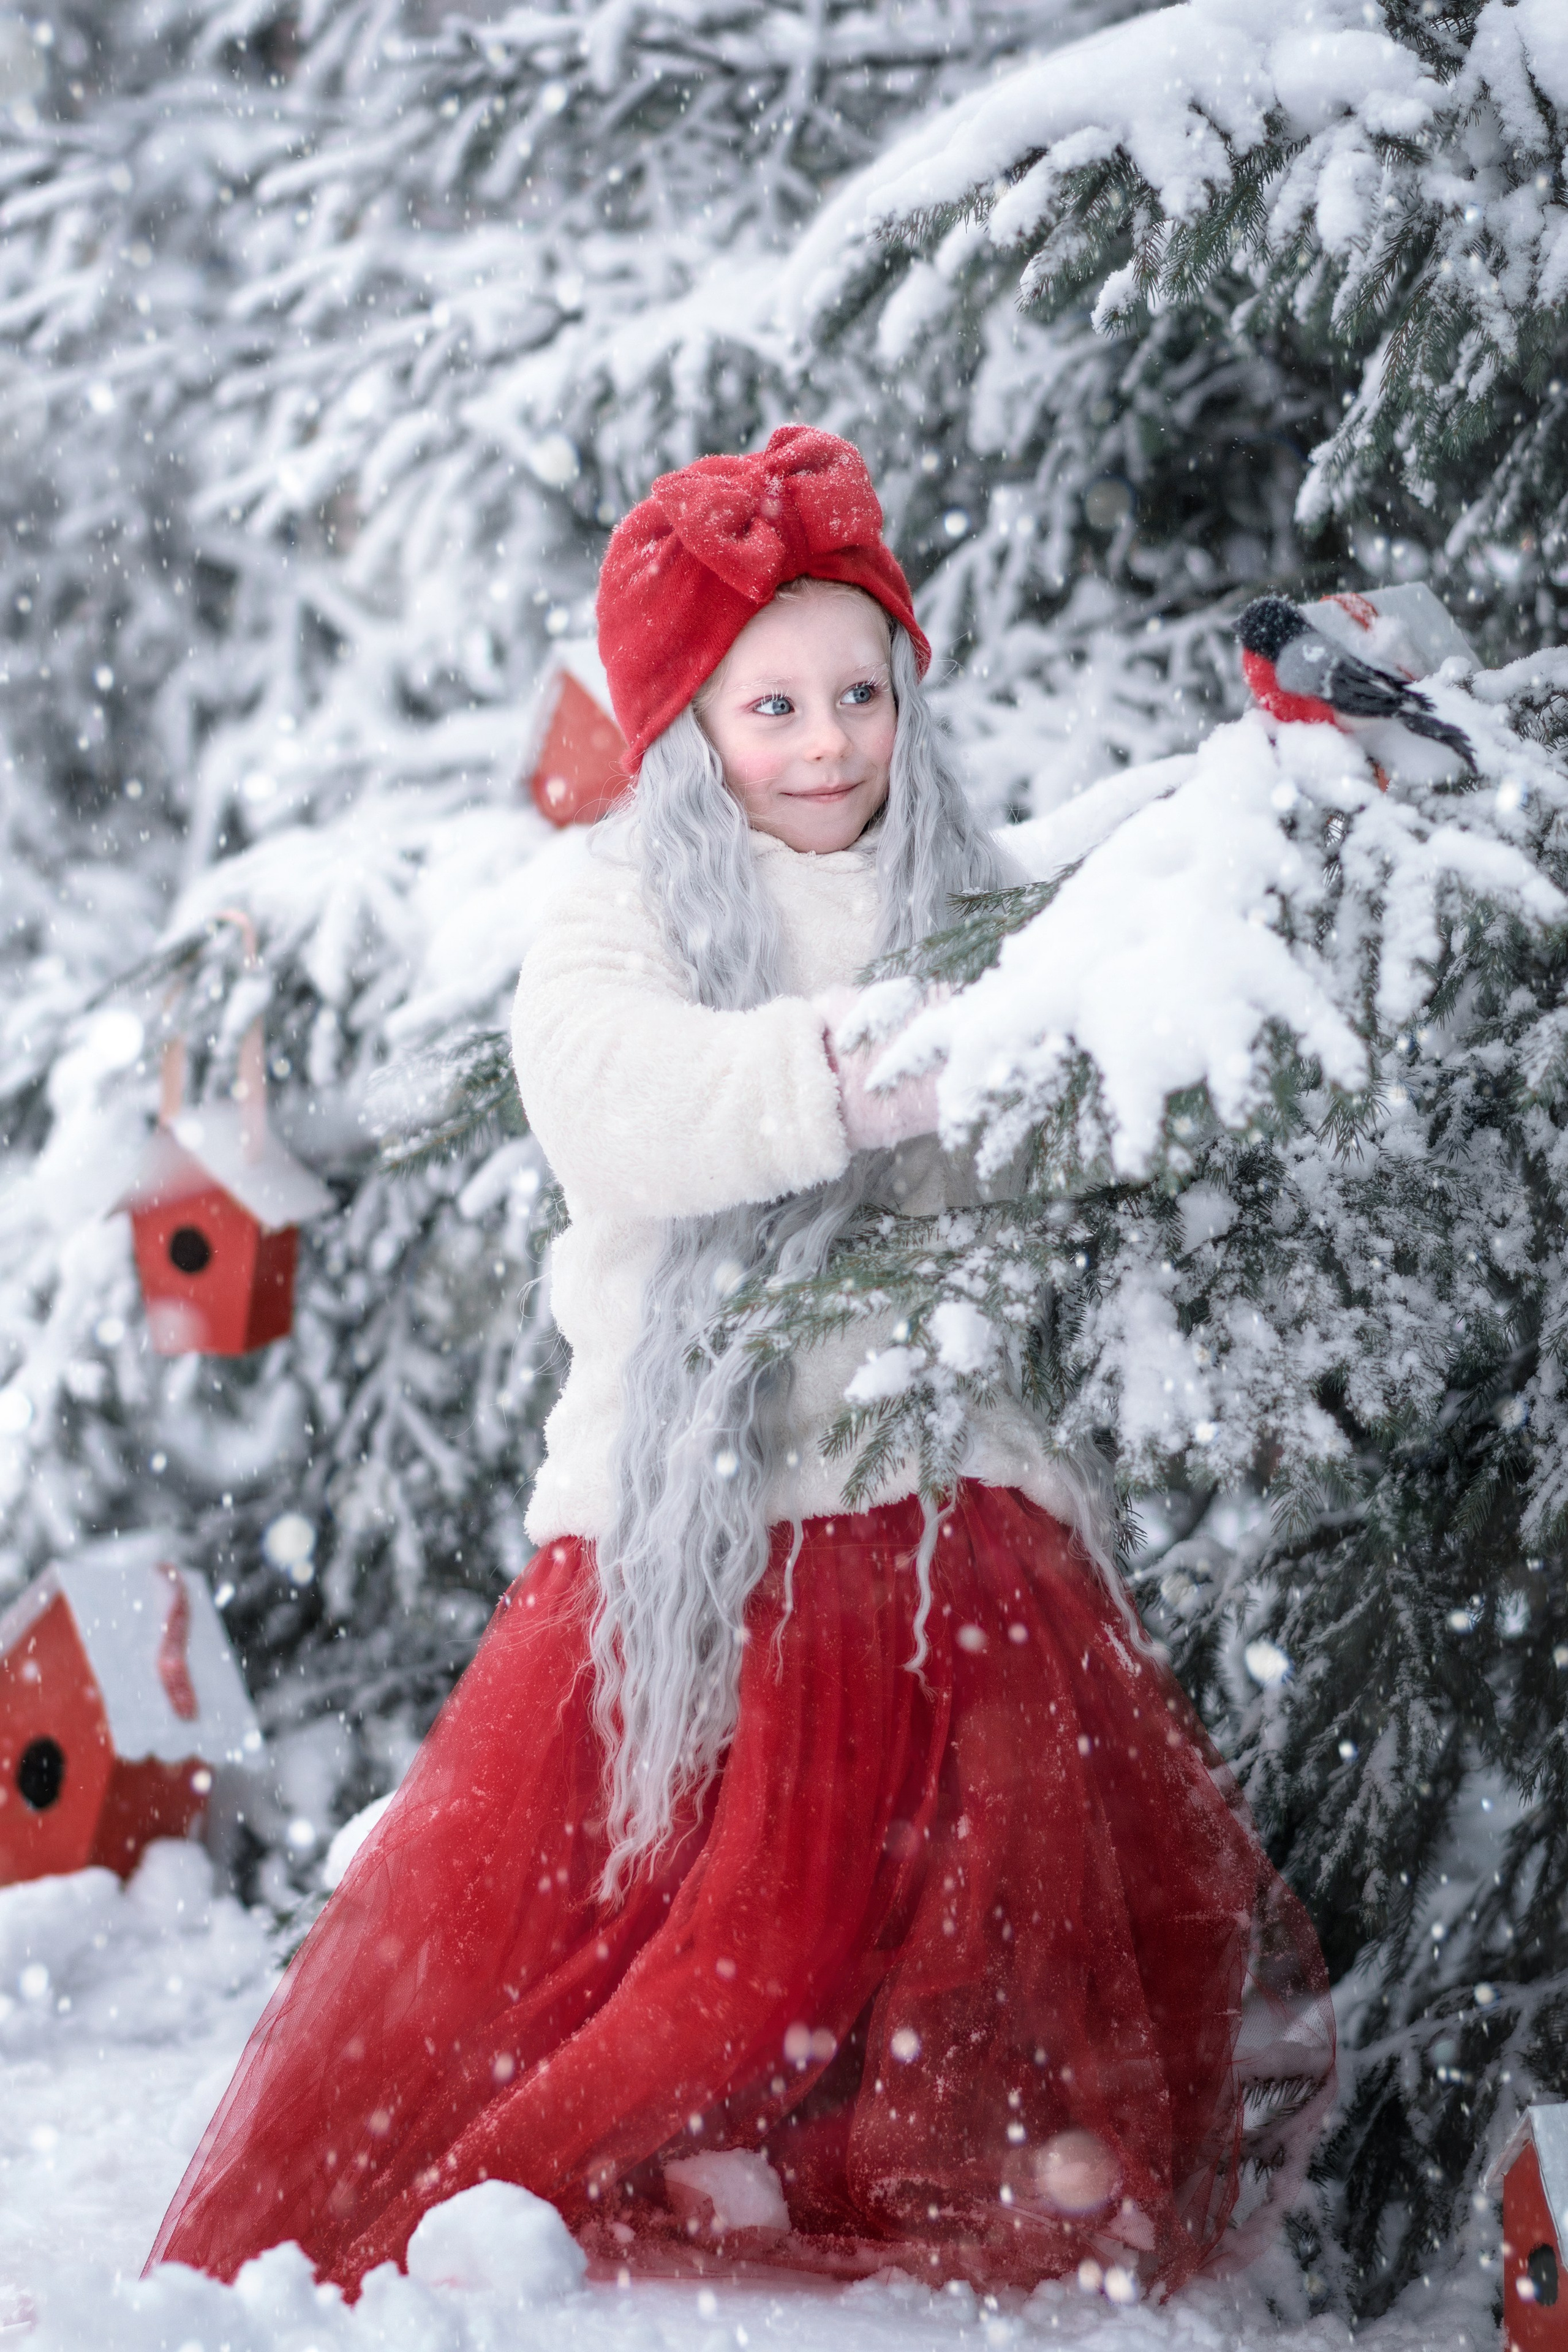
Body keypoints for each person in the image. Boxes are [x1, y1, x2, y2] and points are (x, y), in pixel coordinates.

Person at [148, 427, 1333, 2298]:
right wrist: (833, 1077)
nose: (828, 741)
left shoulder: (952, 875)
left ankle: (916, 2149)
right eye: (770, 703)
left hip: (934, 1482)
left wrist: (1260, 775)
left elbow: (1098, 921)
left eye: (861, 689)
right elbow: (618, 1102)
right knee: (714, 1930)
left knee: (982, 1872)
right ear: (689, 727)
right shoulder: (624, 906)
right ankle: (576, 2166)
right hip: (701, 1499)